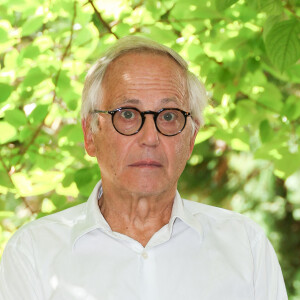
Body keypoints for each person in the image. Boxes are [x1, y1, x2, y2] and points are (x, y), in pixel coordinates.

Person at [0, 36, 287, 300]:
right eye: (127, 114)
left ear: (191, 140)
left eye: (169, 116)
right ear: (90, 135)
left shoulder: (245, 247)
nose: (150, 138)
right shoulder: (34, 253)